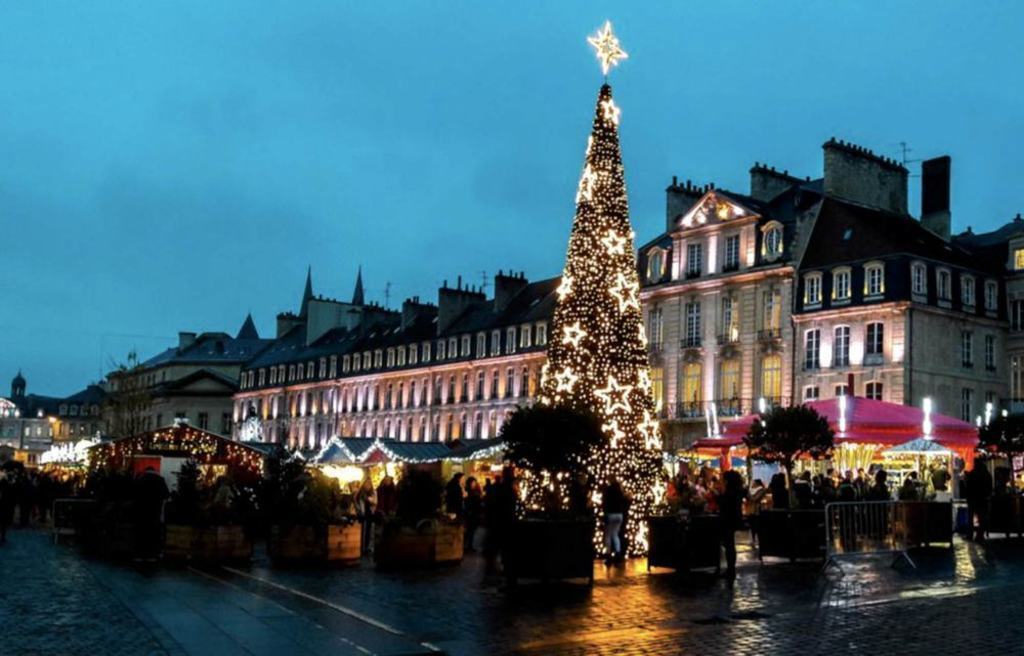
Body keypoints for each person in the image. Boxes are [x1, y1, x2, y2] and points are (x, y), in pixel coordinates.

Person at [484, 467, 516, 579]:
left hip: (499, 521)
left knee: (497, 545)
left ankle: (493, 567)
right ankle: (500, 568)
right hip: (503, 521)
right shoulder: (507, 489)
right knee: (502, 545)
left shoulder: (500, 489)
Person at [133, 467, 170, 560]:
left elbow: (133, 493)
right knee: (153, 532)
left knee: (140, 532)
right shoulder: (160, 480)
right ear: (155, 471)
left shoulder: (140, 479)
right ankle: (151, 554)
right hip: (155, 510)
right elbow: (166, 494)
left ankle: (139, 554)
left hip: (141, 510)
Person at [717, 470, 746, 579]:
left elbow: (724, 503)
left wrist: (717, 496)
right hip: (733, 519)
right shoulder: (738, 491)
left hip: (728, 520)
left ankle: (730, 570)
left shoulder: (730, 492)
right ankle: (731, 569)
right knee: (729, 544)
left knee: (729, 544)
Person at [601, 477, 628, 564]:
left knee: (608, 535)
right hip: (619, 515)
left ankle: (608, 555)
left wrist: (604, 512)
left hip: (611, 514)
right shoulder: (620, 490)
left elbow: (604, 502)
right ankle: (618, 554)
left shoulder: (608, 490)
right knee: (615, 535)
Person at [965, 460, 993, 541]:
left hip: (973, 499)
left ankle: (969, 535)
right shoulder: (986, 474)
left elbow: (968, 487)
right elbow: (989, 487)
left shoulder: (972, 474)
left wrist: (968, 497)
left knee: (970, 518)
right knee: (982, 518)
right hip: (982, 499)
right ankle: (980, 535)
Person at [356, 477, 377, 555]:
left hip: (369, 513)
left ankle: (367, 547)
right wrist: (358, 509)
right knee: (361, 531)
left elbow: (375, 502)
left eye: (369, 483)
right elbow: (356, 501)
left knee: (368, 531)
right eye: (366, 483)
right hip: (362, 513)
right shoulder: (360, 492)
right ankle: (361, 547)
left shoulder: (373, 492)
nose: (367, 485)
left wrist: (368, 499)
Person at [463, 476, 483, 551]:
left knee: (471, 530)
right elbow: (471, 501)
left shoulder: (473, 491)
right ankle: (467, 545)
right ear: (470, 483)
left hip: (474, 512)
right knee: (470, 530)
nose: (475, 484)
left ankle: (468, 545)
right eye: (474, 482)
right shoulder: (469, 491)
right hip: (472, 512)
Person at [0, 470, 15, 544]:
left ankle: (2, 536)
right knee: (3, 524)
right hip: (4, 507)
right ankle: (3, 537)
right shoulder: (8, 485)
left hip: (3, 505)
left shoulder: (6, 485)